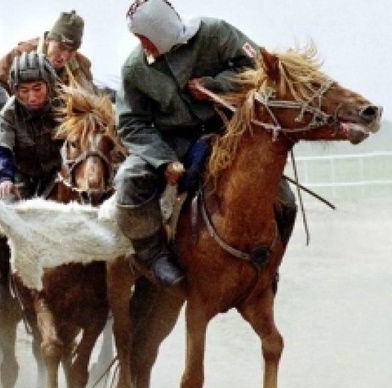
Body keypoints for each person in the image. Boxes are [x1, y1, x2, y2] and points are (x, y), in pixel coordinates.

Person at [112, 0, 297, 288]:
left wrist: (216, 85)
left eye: (144, 37)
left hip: (227, 131)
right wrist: (162, 160)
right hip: (171, 141)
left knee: (284, 199)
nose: (141, 44)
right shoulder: (135, 69)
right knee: (128, 180)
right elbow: (131, 123)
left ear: (160, 31)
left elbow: (259, 67)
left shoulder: (215, 32)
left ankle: (269, 265)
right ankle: (156, 256)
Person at [0, 51, 62, 308]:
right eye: (23, 90)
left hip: (61, 175)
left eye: (38, 88)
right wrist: (3, 179)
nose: (32, 96)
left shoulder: (67, 105)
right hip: (22, 177)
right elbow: (1, 151)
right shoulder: (8, 113)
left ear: (49, 83)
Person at [0, 10, 94, 95]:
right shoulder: (20, 55)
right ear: (48, 40)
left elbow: (92, 100)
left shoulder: (82, 67)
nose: (64, 56)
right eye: (61, 47)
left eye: (72, 51)